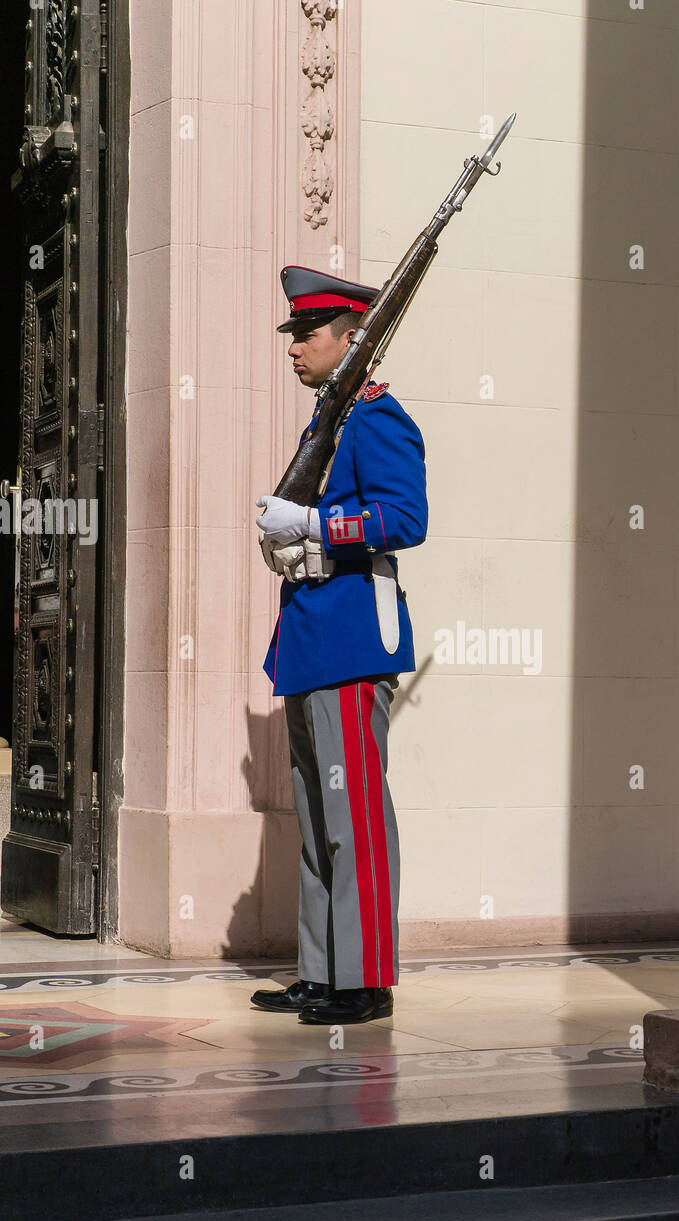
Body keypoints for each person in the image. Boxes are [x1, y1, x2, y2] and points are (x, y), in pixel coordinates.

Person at [250, 266, 427, 1024]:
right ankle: (324, 971)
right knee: (319, 818)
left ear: (353, 340)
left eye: (307, 335)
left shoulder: (378, 418)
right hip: (313, 637)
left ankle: (366, 978)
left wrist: (318, 529)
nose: (294, 348)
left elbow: (405, 519)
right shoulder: (328, 421)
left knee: (353, 814)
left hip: (354, 637)